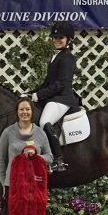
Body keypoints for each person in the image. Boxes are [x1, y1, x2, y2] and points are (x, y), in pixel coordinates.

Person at [0, 97, 53, 215]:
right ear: (17, 112)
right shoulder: (8, 132)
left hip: (34, 185)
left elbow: (50, 157)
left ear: (32, 112)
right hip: (13, 185)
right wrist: (4, 182)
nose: (25, 112)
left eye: (27, 109)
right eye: (21, 109)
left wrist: (37, 156)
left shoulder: (40, 133)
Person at [30, 21, 79, 172]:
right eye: (55, 37)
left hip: (62, 98)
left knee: (45, 121)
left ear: (69, 39)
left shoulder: (68, 58)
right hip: (53, 98)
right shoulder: (56, 56)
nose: (57, 40)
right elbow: (48, 82)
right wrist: (31, 93)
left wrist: (39, 95)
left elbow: (61, 85)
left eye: (61, 37)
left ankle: (58, 160)